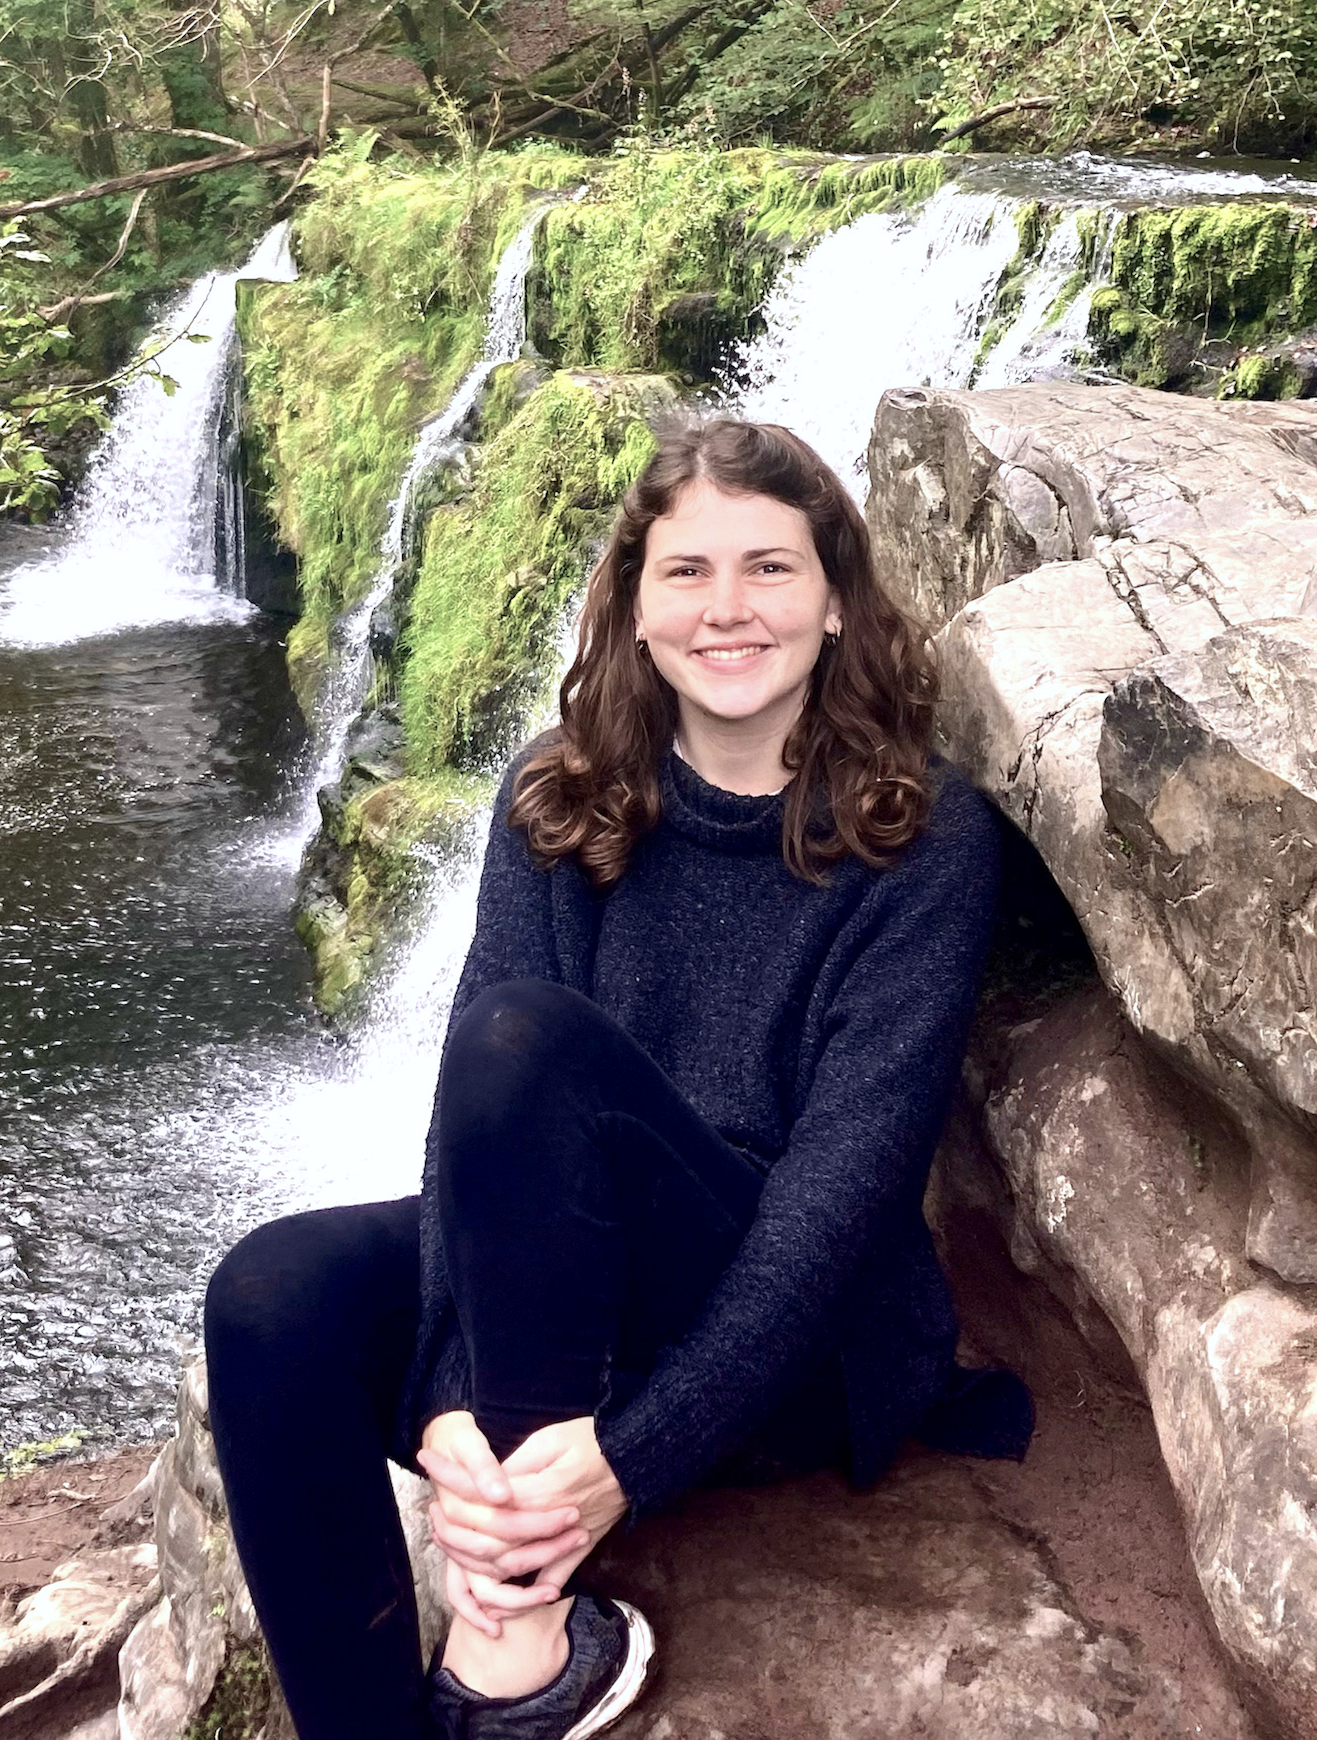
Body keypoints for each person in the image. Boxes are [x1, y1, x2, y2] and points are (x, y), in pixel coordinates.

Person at [204, 418, 1033, 1740]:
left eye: (770, 568)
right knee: (266, 1295)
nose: (728, 608)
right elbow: (466, 1145)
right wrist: (449, 1401)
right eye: (686, 573)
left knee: (531, 1044)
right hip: (568, 1290)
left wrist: (621, 1467)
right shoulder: (557, 794)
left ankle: (522, 1622)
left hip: (799, 1334)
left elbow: (841, 1201)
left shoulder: (921, 841)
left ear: (835, 604)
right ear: (634, 611)